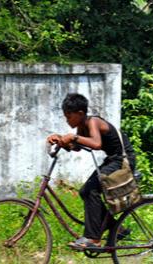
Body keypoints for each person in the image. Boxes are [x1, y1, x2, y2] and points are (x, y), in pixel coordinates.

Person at [47, 93, 136, 249]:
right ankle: (117, 229)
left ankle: (93, 239)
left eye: (69, 116)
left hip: (123, 160)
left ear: (80, 113)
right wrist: (60, 139)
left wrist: (72, 138)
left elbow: (96, 143)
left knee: (91, 190)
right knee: (85, 191)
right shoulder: (82, 127)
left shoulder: (93, 121)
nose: (67, 120)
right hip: (112, 160)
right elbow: (77, 147)